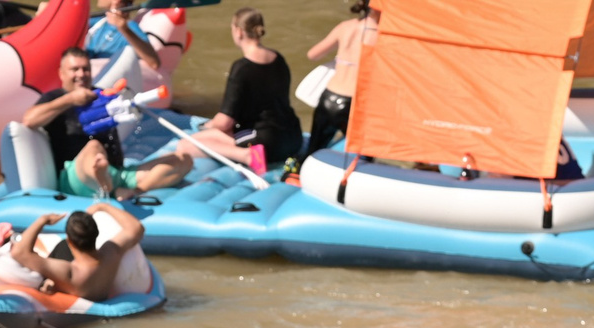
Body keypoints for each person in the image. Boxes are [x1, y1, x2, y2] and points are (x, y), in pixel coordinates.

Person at [25, 43, 193, 198]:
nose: (81, 74)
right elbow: (29, 120)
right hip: (78, 177)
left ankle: (131, 191)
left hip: (116, 173)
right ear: (61, 73)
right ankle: (106, 185)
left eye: (86, 69)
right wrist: (69, 100)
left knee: (183, 159)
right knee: (94, 147)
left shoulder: (101, 96)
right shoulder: (54, 98)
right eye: (74, 69)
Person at [156, 9, 303, 175]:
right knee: (222, 133)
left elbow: (223, 122)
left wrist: (205, 126)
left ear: (239, 32)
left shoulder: (242, 68)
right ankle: (247, 150)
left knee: (185, 145)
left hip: (266, 142)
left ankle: (248, 155)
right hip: (293, 136)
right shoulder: (278, 58)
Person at [0, 204, 147, 302]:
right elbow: (136, 228)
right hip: (97, 290)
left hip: (74, 287)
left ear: (71, 241)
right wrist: (103, 206)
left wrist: (42, 220)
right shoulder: (111, 253)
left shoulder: (69, 272)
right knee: (59, 247)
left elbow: (19, 254)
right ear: (97, 234)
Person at [301, 0, 374, 158]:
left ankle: (296, 176)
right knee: (364, 155)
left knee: (313, 151)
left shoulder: (344, 27)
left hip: (328, 97)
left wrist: (341, 58)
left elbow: (312, 54)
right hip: (352, 104)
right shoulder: (381, 34)